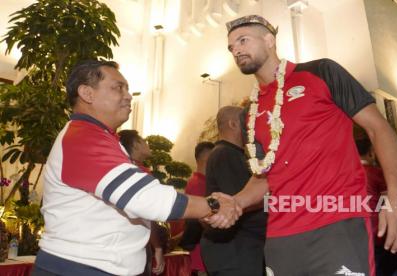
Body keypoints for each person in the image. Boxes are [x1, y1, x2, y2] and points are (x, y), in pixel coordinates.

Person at [212, 15, 397, 275]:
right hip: (280, 238)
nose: (236, 50)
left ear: (269, 40)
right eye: (231, 47)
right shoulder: (249, 113)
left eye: (243, 40)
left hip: (338, 226)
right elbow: (264, 178)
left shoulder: (321, 72)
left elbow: (380, 129)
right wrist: (234, 202)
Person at [32, 60, 241, 276]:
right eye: (118, 87)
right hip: (78, 268)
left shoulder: (101, 137)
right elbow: (143, 198)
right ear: (87, 93)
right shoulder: (82, 138)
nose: (129, 96)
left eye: (127, 88)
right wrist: (213, 205)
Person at [201, 106, 267, 276]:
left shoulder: (232, 154)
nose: (251, 127)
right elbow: (241, 203)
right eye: (247, 122)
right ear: (233, 124)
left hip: (239, 248)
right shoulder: (225, 154)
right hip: (234, 250)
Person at [118, 129, 165, 276]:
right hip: (137, 244)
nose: (147, 144)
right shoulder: (140, 174)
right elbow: (146, 215)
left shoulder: (122, 169)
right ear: (136, 144)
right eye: (144, 141)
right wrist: (158, 247)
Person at [356, 137, 397, 276]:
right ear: (371, 153)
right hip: (378, 234)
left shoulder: (344, 175)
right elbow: (390, 204)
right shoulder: (377, 173)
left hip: (354, 234)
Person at [180, 141, 215, 275]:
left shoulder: (202, 181)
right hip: (201, 252)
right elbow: (203, 218)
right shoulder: (197, 184)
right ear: (208, 158)